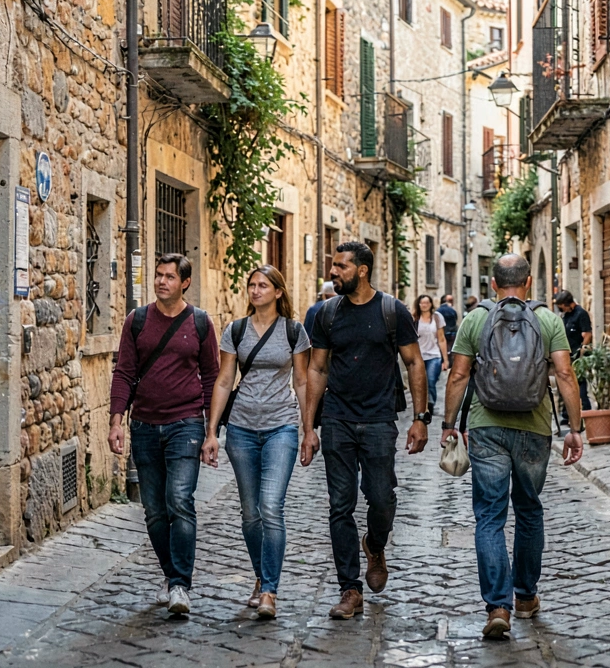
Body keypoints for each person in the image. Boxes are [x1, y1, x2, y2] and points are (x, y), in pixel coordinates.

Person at [442, 254, 584, 639]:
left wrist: (448, 424)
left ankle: (497, 607)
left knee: (489, 517)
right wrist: (575, 428)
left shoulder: (475, 318)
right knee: (529, 510)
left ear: (492, 284)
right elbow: (566, 374)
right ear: (529, 282)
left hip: (486, 427)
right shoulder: (547, 319)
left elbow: (458, 375)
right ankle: (525, 597)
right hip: (534, 430)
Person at [301, 241, 428, 620]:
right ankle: (350, 589)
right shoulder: (326, 314)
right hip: (338, 419)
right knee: (340, 505)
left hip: (378, 420)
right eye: (333, 265)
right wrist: (309, 427)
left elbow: (414, 363)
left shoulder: (392, 311)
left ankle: (375, 544)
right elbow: (317, 369)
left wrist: (420, 418)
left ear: (362, 270)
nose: (333, 272)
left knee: (381, 496)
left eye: (340, 266)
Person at [108, 253, 219, 615]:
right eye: (158, 276)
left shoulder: (200, 323)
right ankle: (172, 577)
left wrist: (211, 431)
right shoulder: (137, 321)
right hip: (143, 425)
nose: (161, 282)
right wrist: (115, 421)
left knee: (180, 501)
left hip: (186, 423)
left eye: (169, 277)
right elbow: (124, 373)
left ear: (184, 282)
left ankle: (180, 585)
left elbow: (212, 378)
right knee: (154, 510)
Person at [202, 266, 309, 620]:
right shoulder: (236, 329)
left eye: (263, 285)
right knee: (250, 513)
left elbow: (303, 382)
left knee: (270, 506)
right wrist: (212, 431)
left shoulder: (294, 332)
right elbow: (223, 380)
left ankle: (269, 591)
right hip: (242, 428)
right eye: (252, 285)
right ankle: (262, 577)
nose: (256, 290)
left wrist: (309, 429)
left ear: (278, 291)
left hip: (281, 426)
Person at [554, 291, 593, 411]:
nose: (562, 310)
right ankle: (567, 413)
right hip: (568, 354)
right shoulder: (566, 315)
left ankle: (585, 409)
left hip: (578, 356)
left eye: (563, 307)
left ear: (569, 304)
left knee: (579, 385)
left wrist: (581, 350)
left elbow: (587, 334)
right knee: (568, 385)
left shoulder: (581, 314)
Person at [413, 294, 450, 409]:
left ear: (431, 304)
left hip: (434, 355)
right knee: (419, 383)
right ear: (418, 305)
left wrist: (445, 359)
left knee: (431, 380)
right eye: (422, 303)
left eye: (427, 303)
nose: (424, 305)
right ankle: (422, 404)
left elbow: (442, 339)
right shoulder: (414, 319)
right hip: (419, 356)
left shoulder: (437, 318)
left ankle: (431, 403)